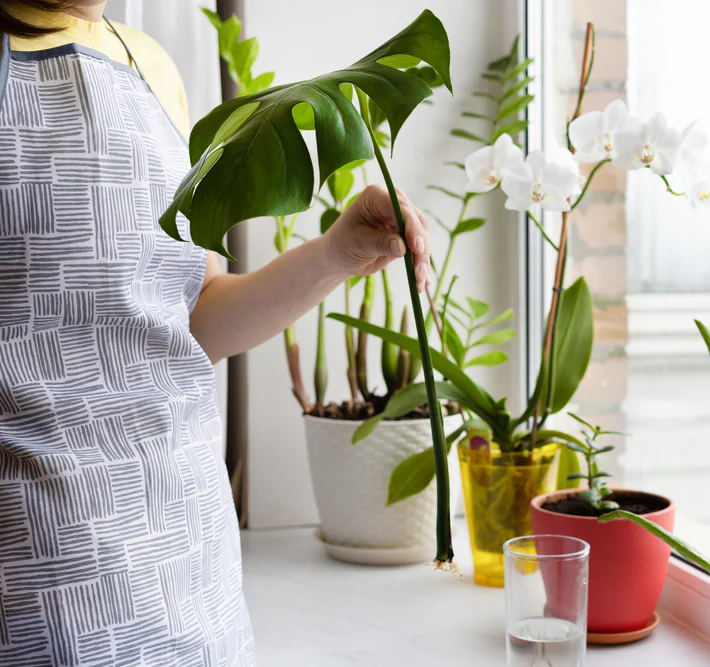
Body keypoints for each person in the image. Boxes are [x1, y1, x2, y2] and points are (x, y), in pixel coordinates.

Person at [0, 1, 432, 664]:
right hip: (42, 583)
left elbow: (191, 316)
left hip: (193, 574)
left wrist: (337, 254)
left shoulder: (151, 67)